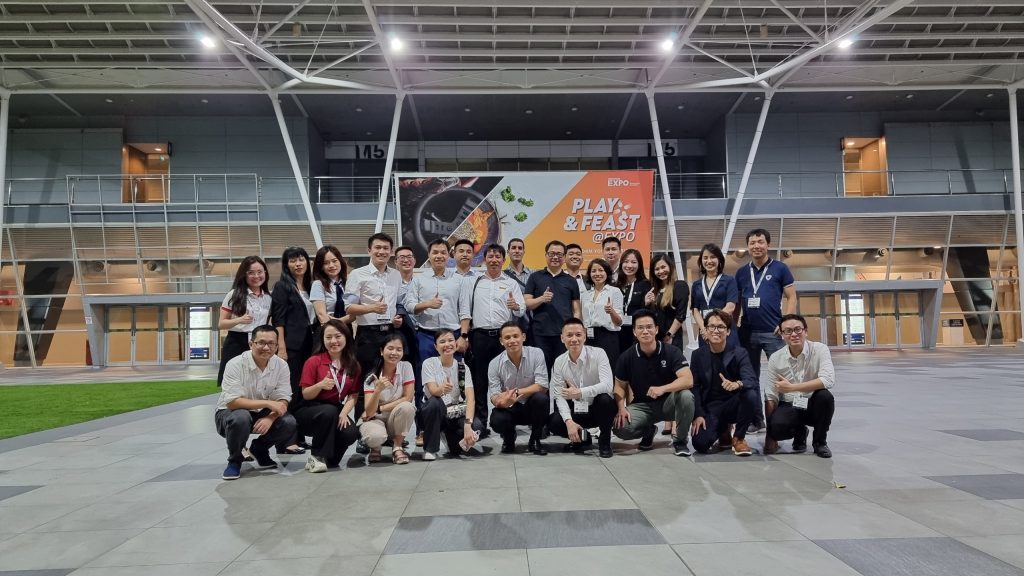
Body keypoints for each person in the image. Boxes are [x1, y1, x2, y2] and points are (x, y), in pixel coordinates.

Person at [214, 325, 297, 480]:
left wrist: (270, 417)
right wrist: (267, 404)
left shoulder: (281, 365)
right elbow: (232, 402)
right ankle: (235, 460)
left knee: (289, 422)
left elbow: (284, 398)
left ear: (276, 346)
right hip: (230, 413)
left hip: (261, 412)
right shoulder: (235, 364)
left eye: (271, 343)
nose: (266, 347)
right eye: (261, 343)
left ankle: (259, 449)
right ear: (251, 344)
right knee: (240, 418)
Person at [459, 243, 525, 435]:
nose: (494, 260)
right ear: (484, 259)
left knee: (506, 379)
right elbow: (465, 310)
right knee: (479, 381)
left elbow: (521, 309)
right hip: (479, 336)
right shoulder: (474, 282)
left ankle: (505, 420)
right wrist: (464, 335)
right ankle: (480, 423)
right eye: (490, 256)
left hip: (504, 338)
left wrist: (515, 306)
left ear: (503, 260)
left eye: (498, 257)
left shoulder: (511, 282)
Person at [735, 228, 796, 433]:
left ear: (768, 244)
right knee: (750, 377)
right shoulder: (742, 272)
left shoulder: (780, 268)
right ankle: (756, 419)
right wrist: (734, 327)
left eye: (760, 242)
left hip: (774, 332)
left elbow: (791, 297)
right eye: (752, 243)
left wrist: (785, 322)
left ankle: (781, 420)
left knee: (780, 376)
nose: (756, 246)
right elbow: (737, 303)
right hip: (747, 333)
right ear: (748, 246)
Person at [612, 310, 695, 456]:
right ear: (634, 332)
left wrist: (663, 389)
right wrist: (621, 408)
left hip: (669, 403)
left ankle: (680, 441)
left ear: (656, 329)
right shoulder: (626, 357)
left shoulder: (672, 352)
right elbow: (619, 386)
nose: (645, 331)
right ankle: (649, 431)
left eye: (649, 327)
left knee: (686, 396)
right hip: (642, 406)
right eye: (640, 328)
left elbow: (688, 380)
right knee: (620, 427)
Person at [763, 314, 836, 458]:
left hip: (813, 403)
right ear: (782, 334)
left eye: (798, 329)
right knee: (776, 429)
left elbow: (828, 380)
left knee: (825, 397)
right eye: (788, 331)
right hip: (790, 404)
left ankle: (820, 442)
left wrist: (792, 388)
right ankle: (800, 432)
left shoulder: (820, 349)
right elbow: (770, 395)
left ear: (805, 331)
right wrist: (769, 436)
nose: (794, 334)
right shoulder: (776, 358)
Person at [688, 310, 758, 457]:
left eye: (721, 327)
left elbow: (751, 379)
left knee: (751, 394)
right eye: (711, 326)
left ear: (728, 331)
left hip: (734, 404)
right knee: (700, 444)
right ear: (705, 330)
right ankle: (724, 430)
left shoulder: (739, 353)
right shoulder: (697, 355)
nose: (716, 330)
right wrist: (698, 414)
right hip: (711, 407)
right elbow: (695, 387)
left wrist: (737, 384)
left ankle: (739, 438)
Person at [295, 319, 362, 472]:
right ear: (323, 339)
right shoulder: (314, 361)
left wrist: (344, 413)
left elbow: (353, 395)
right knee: (329, 412)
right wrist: (319, 385)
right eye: (328, 337)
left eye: (338, 336)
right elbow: (306, 394)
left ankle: (329, 459)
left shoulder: (353, 365)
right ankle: (316, 456)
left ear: (346, 337)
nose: (333, 341)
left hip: (334, 408)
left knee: (350, 432)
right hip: (309, 409)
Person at [548, 318, 615, 458]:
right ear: (562, 338)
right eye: (569, 335)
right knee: (554, 421)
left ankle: (604, 441)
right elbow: (559, 395)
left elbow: (608, 385)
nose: (574, 339)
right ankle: (581, 438)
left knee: (605, 400)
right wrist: (569, 422)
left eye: (578, 335)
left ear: (585, 336)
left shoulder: (599, 353)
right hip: (577, 410)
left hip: (597, 409)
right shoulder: (559, 361)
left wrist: (580, 392)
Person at [271, 245, 316, 454]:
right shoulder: (282, 287)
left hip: (310, 346)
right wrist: (281, 347)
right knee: (289, 392)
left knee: (303, 392)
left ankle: (299, 436)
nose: (298, 264)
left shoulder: (312, 286)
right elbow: (278, 319)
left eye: (301, 259)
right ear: (286, 264)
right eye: (293, 260)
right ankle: (285, 441)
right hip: (291, 347)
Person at [345, 232, 404, 385]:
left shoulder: (396, 275)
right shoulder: (357, 274)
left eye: (386, 248)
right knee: (366, 379)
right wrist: (372, 308)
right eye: (377, 247)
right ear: (369, 250)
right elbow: (349, 307)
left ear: (391, 252)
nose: (382, 251)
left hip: (390, 332)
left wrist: (398, 317)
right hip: (368, 335)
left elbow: (398, 303)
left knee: (389, 378)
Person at [420, 330, 485, 460]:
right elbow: (433, 391)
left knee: (476, 426)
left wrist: (467, 425)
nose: (447, 344)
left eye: (450, 340)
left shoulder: (463, 367)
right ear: (435, 347)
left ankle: (449, 436)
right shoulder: (429, 363)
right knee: (434, 402)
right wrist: (442, 389)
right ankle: (430, 449)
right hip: (434, 412)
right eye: (442, 342)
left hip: (454, 413)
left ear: (456, 344)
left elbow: (470, 399)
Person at [488, 321, 551, 455]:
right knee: (497, 420)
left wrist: (516, 393)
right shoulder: (494, 363)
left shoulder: (536, 353)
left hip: (531, 406)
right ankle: (509, 438)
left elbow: (542, 385)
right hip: (509, 407)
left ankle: (535, 439)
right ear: (501, 341)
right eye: (507, 337)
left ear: (523, 337)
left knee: (542, 399)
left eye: (515, 336)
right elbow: (494, 394)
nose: (512, 341)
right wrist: (501, 401)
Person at [353, 332, 416, 464]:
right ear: (382, 351)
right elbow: (370, 412)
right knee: (375, 436)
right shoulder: (371, 376)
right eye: (390, 348)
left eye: (399, 349)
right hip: (375, 419)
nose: (394, 353)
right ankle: (375, 448)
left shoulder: (406, 367)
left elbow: (408, 397)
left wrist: (380, 408)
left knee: (407, 407)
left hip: (394, 418)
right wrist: (377, 391)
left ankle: (397, 446)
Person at [406, 239, 468, 365]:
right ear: (428, 255)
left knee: (454, 372)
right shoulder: (419, 280)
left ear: (448, 255)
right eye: (435, 252)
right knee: (425, 371)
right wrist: (427, 304)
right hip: (426, 335)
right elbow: (409, 306)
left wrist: (463, 337)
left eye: (443, 253)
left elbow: (465, 310)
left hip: (453, 335)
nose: (439, 256)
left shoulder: (459, 280)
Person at [524, 240, 582, 373]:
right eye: (552, 254)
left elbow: (576, 310)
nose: (555, 257)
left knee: (563, 370)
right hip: (540, 333)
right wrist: (542, 299)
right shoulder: (535, 277)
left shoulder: (571, 281)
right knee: (542, 370)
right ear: (546, 255)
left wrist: (576, 330)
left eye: (559, 254)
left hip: (564, 334)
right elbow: (526, 304)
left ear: (564, 257)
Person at [217, 256, 271, 387]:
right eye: (251, 272)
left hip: (259, 343)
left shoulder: (268, 298)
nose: (256, 276)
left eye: (260, 272)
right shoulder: (234, 294)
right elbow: (221, 324)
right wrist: (239, 320)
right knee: (234, 383)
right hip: (236, 342)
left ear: (265, 273)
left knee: (258, 382)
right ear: (244, 274)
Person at [394, 245, 422, 444]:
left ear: (415, 260)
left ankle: (422, 430)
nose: (406, 260)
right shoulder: (391, 283)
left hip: (424, 336)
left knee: (421, 385)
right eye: (401, 257)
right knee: (398, 385)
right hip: (401, 339)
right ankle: (396, 433)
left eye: (409, 256)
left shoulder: (422, 281)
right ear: (396, 262)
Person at [690, 243, 739, 349]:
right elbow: (695, 309)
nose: (709, 261)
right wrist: (705, 329)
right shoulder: (696, 285)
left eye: (712, 257)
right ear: (701, 260)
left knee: (729, 358)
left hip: (724, 329)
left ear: (719, 259)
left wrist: (713, 326)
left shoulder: (729, 281)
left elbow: (730, 307)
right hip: (705, 332)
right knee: (706, 358)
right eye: (705, 258)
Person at [582, 258, 623, 364]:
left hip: (607, 337)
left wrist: (611, 312)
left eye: (601, 270)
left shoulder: (614, 291)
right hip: (589, 337)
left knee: (608, 368)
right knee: (591, 369)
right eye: (593, 271)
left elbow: (619, 322)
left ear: (607, 273)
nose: (597, 274)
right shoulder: (586, 294)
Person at [645, 253, 690, 351]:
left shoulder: (679, 286)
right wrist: (647, 303)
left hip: (671, 338)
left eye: (663, 267)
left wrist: (669, 335)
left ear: (670, 266)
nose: (661, 271)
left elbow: (680, 315)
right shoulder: (653, 289)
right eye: (657, 269)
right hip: (654, 338)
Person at [616, 248, 651, 354]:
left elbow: (648, 312)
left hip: (636, 332)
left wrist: (646, 303)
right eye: (626, 262)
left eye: (633, 262)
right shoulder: (617, 285)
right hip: (618, 332)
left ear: (639, 265)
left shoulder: (645, 284)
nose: (629, 265)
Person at [309, 245, 350, 327]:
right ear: (321, 267)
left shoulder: (348, 282)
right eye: (326, 263)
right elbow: (321, 315)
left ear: (340, 261)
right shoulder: (318, 284)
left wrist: (340, 322)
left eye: (334, 261)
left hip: (347, 328)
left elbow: (354, 313)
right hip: (327, 328)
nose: (331, 265)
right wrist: (339, 323)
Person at [503, 237, 532, 339]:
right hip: (511, 325)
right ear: (508, 252)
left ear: (524, 252)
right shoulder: (502, 276)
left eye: (520, 248)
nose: (517, 251)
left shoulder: (534, 275)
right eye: (513, 248)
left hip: (532, 325)